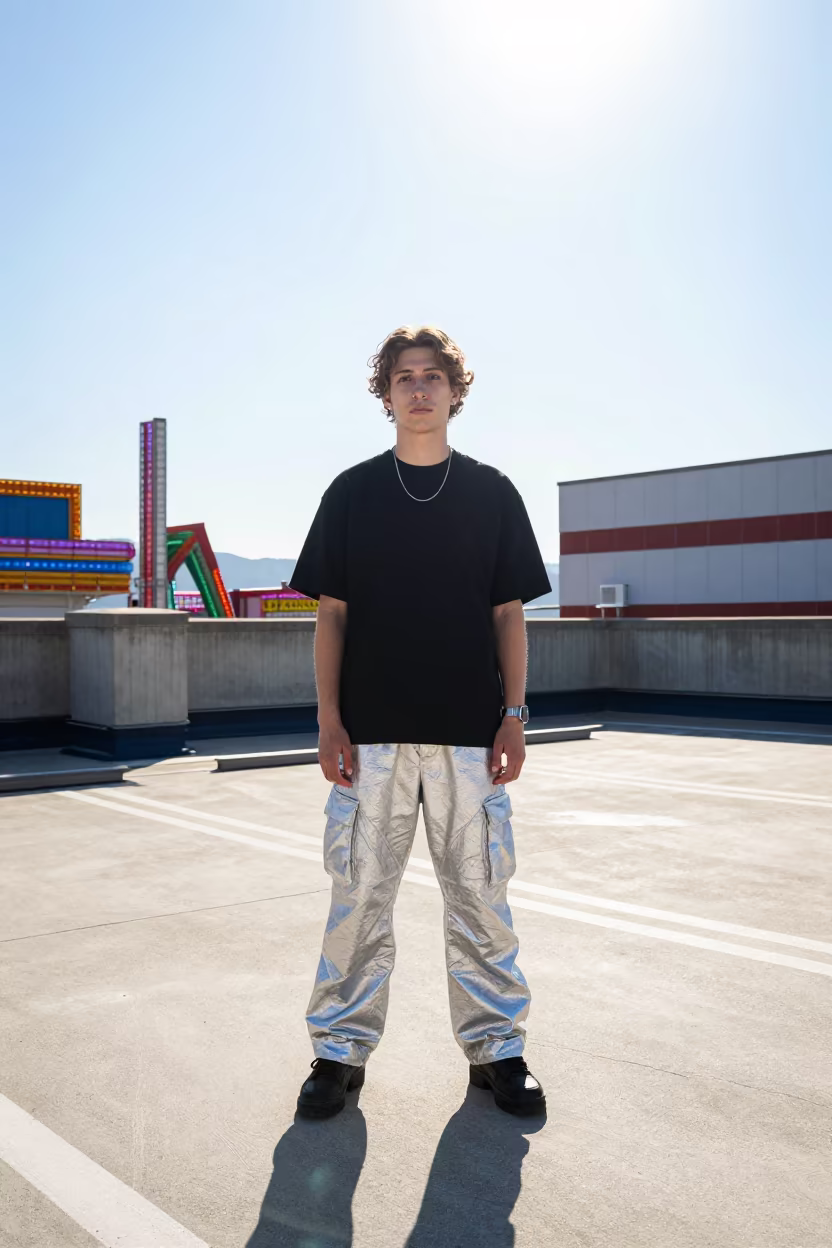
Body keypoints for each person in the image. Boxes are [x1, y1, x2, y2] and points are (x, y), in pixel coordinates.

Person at [289, 326, 551, 1120]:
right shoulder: (351, 493)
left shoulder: (493, 493)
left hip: (471, 731)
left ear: (453, 390)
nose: (418, 389)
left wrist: (513, 714)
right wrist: (330, 720)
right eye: (404, 377)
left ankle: (498, 1052)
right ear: (387, 393)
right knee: (359, 896)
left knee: (479, 897)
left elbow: (509, 615)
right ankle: (337, 1054)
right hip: (370, 732)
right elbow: (331, 616)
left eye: (432, 376)